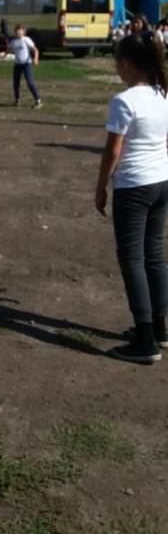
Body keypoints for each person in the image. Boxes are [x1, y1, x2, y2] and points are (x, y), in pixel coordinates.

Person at [95, 34, 168, 364]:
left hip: (134, 187)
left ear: (125, 63)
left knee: (132, 259)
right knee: (154, 255)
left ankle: (145, 340)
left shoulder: (124, 100)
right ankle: (161, 328)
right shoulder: (162, 94)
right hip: (161, 182)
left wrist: (100, 186)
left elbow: (113, 151)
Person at [9, 24, 42, 108]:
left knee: (30, 82)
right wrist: (0, 54)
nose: (18, 32)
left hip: (26, 64)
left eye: (20, 30)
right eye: (17, 30)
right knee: (16, 83)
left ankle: (38, 101)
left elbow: (35, 50)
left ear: (23, 32)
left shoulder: (26, 40)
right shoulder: (13, 42)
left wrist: (35, 59)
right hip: (17, 64)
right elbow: (8, 51)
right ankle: (17, 100)